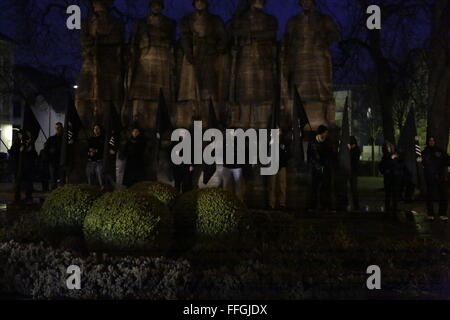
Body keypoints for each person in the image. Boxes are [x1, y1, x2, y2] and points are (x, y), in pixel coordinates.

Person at [419, 136, 450, 221]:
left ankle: (442, 214)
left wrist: (442, 164)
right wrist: (420, 160)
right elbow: (421, 162)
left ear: (435, 142)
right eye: (430, 140)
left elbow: (448, 160)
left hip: (440, 176)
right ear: (428, 142)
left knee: (443, 195)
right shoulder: (425, 152)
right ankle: (430, 214)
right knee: (430, 196)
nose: (431, 142)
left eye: (433, 140)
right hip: (430, 177)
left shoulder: (440, 151)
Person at [307, 125, 333, 212]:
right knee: (314, 187)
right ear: (321, 133)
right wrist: (316, 165)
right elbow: (310, 156)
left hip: (325, 169)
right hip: (315, 169)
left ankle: (324, 205)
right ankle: (312, 205)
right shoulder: (312, 142)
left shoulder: (328, 143)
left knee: (325, 188)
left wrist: (325, 165)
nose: (326, 134)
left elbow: (329, 155)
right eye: (325, 132)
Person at [268, 128, 291, 210]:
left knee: (282, 186)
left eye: (279, 131)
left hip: (282, 166)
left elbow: (287, 154)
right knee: (272, 186)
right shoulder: (271, 142)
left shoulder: (284, 142)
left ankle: (282, 204)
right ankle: (271, 204)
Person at [379, 141, 404, 215]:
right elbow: (383, 166)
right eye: (386, 147)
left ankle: (394, 209)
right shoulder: (385, 157)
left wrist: (397, 170)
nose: (388, 149)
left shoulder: (396, 156)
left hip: (395, 177)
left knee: (395, 194)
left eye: (389, 147)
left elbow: (401, 164)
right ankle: (388, 209)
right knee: (388, 194)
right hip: (388, 178)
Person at [13, 130, 37, 204]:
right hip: (20, 167)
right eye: (19, 134)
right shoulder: (17, 144)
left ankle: (28, 196)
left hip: (27, 166)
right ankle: (17, 197)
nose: (20, 136)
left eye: (21, 134)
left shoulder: (28, 144)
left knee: (28, 182)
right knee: (18, 182)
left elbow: (33, 153)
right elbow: (14, 154)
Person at [222, 129, 246, 201]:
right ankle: (226, 201)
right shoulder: (225, 141)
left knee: (238, 185)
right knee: (226, 185)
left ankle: (239, 201)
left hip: (237, 166)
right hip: (227, 166)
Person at [44, 122, 63, 190]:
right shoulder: (51, 139)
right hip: (53, 161)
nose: (58, 129)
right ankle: (54, 192)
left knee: (62, 179)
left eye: (59, 128)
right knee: (53, 179)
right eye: (57, 128)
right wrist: (50, 151)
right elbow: (45, 149)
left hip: (62, 161)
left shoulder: (64, 139)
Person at [86, 124, 105, 189]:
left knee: (100, 177)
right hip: (91, 161)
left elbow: (103, 149)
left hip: (99, 161)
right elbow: (87, 148)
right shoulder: (91, 139)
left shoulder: (103, 138)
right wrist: (89, 152)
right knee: (90, 177)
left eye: (97, 128)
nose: (96, 130)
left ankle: (102, 189)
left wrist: (96, 151)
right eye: (95, 129)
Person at [349, 136, 361, 210]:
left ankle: (356, 204)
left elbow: (352, 160)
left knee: (354, 188)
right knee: (354, 188)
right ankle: (355, 204)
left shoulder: (354, 150)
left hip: (352, 171)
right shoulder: (356, 149)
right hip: (354, 171)